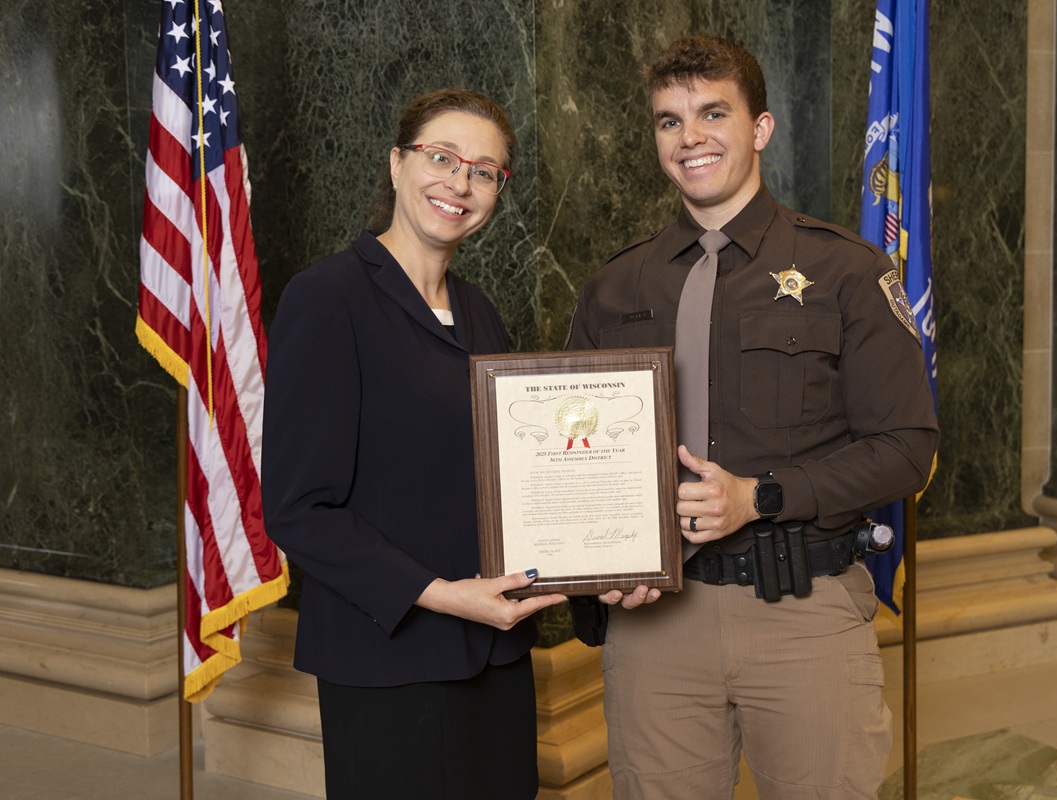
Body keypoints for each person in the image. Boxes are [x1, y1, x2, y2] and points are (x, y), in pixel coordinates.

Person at [565, 36, 939, 799]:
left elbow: (907, 448)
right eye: (669, 121)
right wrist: (593, 571)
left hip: (801, 612)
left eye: (712, 113)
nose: (690, 136)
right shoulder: (614, 285)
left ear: (760, 128)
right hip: (656, 625)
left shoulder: (847, 271)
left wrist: (759, 495)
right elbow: (575, 458)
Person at [263, 88, 566, 799]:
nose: (460, 183)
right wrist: (444, 597)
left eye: (485, 171)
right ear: (397, 165)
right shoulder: (328, 297)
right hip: (389, 659)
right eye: (441, 157)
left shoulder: (480, 312)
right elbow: (300, 509)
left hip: (495, 653)